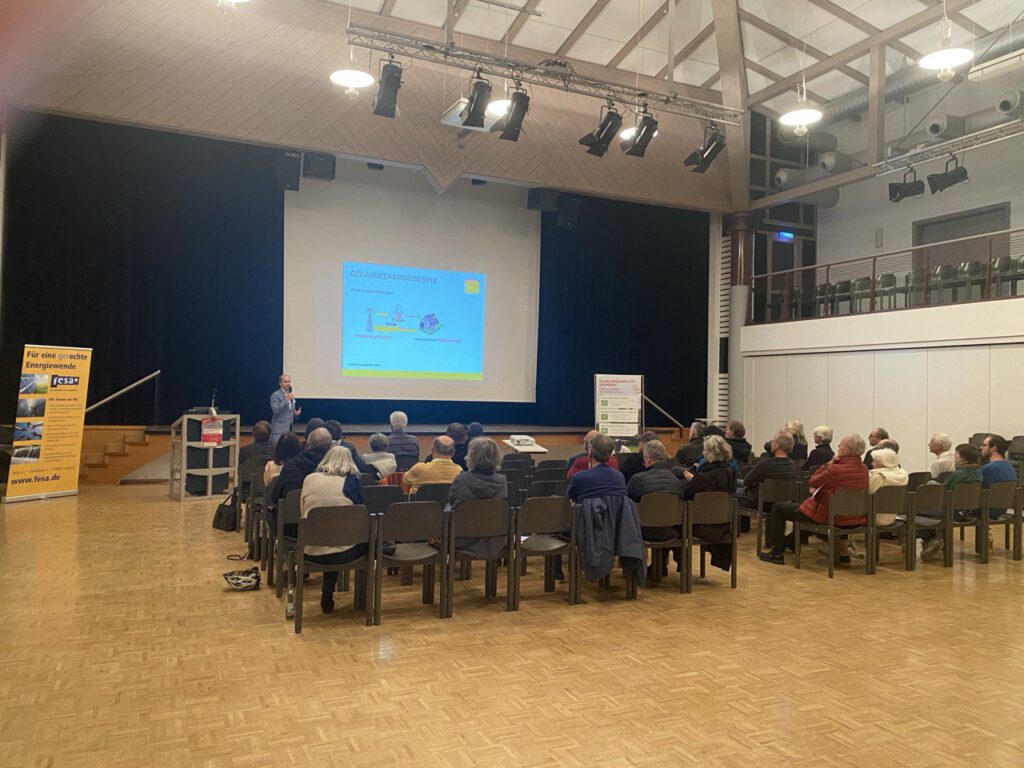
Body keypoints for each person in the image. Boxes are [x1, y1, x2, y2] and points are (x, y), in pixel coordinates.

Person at [759, 434, 869, 566]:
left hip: (829, 516)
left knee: (778, 508)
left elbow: (812, 480)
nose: (838, 446)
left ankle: (776, 553)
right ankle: (842, 554)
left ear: (846, 451)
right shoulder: (864, 470)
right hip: (854, 518)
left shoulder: (835, 469)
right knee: (841, 507)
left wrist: (829, 463)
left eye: (841, 445)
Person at [299, 446, 365, 614]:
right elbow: (360, 515)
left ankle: (327, 593)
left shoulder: (309, 479)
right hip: (345, 552)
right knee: (351, 539)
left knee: (332, 536)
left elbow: (303, 512)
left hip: (309, 550)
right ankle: (362, 601)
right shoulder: (352, 482)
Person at [681, 435, 738, 571]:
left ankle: (678, 566)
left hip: (702, 526)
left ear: (710, 453)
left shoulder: (704, 477)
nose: (703, 452)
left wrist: (691, 480)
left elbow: (686, 495)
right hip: (724, 525)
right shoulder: (731, 473)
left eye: (705, 450)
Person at [448, 437, 508, 559]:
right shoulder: (503, 482)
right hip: (495, 541)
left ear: (471, 455)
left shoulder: (461, 479)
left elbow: (453, 504)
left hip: (463, 541)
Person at [921, 444, 983, 561]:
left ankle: (931, 539)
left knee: (918, 511)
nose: (954, 456)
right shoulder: (978, 474)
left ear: (963, 458)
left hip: (951, 511)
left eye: (956, 454)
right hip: (966, 511)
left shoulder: (957, 475)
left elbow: (943, 491)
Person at [267, 427, 333, 535]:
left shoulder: (290, 466)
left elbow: (275, 496)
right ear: (330, 447)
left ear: (306, 445)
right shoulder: (335, 471)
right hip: (327, 529)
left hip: (290, 529)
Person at [736, 430, 795, 509]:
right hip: (782, 502)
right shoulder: (791, 465)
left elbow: (746, 482)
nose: (771, 443)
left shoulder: (765, 464)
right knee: (737, 482)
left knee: (730, 491)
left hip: (759, 501)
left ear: (777, 445)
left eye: (772, 441)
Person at [567, 434, 627, 502]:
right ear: (610, 454)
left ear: (590, 453)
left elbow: (570, 498)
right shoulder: (619, 477)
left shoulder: (578, 478)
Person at [867, 448, 908, 525]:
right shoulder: (903, 474)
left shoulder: (879, 477)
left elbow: (866, 494)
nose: (872, 463)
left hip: (874, 517)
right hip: (893, 515)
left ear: (882, 463)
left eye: (874, 461)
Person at [270, 374, 301, 444]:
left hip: (289, 430)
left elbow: (290, 411)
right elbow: (275, 410)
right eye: (285, 382)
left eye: (289, 381)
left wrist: (295, 413)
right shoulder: (275, 395)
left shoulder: (291, 395)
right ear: (280, 384)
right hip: (278, 432)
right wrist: (286, 399)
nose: (288, 384)